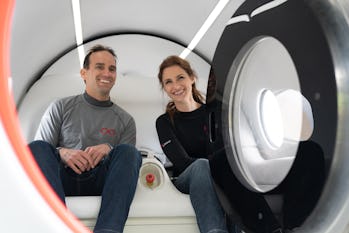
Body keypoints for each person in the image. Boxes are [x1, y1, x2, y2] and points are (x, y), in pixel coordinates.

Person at [28, 44, 142, 233]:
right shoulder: (61, 107)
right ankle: (56, 226)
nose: (107, 73)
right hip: (63, 178)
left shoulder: (126, 121)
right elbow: (42, 154)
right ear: (84, 73)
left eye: (111, 69)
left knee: (130, 152)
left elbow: (126, 169)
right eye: (99, 67)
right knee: (35, 147)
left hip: (101, 180)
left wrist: (109, 149)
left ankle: (108, 230)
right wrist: (62, 152)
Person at [155, 55, 240, 233]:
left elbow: (225, 154)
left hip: (219, 177)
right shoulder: (164, 122)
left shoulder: (214, 113)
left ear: (192, 78)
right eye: (168, 82)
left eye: (180, 78)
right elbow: (182, 162)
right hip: (186, 180)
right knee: (202, 165)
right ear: (165, 88)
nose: (176, 86)